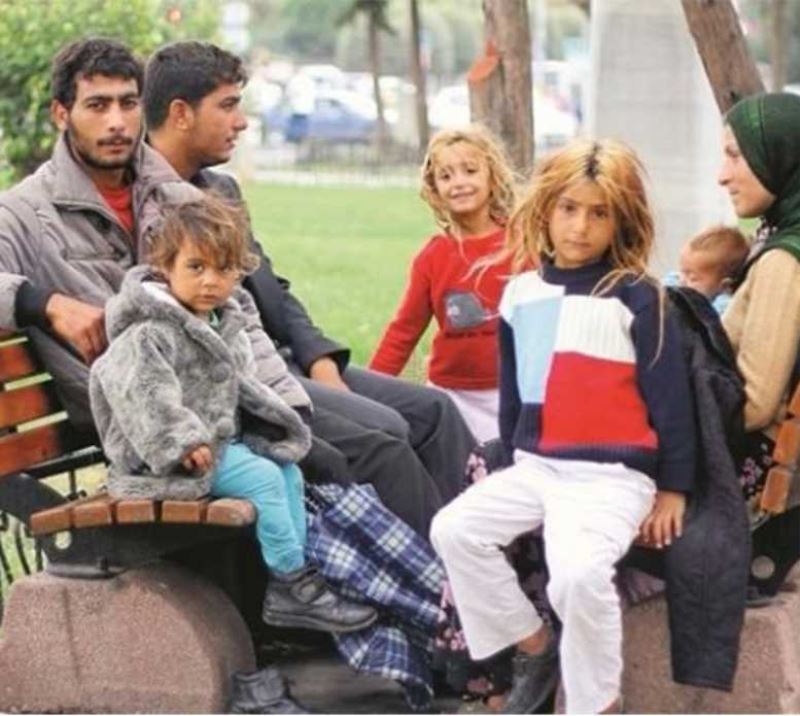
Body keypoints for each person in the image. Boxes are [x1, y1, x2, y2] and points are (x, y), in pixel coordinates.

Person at [143, 41, 476, 538]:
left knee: (434, 411)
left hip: (286, 360)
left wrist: (319, 357)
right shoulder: (145, 203)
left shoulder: (220, 190)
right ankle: (442, 577)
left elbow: (270, 287)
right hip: (243, 384)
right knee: (386, 434)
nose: (242, 122)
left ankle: (492, 552)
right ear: (180, 114)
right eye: (228, 106)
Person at [430, 138, 696, 714]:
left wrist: (674, 488)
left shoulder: (637, 297)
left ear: (620, 220)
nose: (580, 227)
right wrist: (507, 462)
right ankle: (535, 645)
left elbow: (671, 401)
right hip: (536, 469)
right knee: (454, 529)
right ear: (545, 209)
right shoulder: (520, 294)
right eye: (569, 208)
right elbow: (514, 396)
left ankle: (597, 703)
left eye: (599, 213)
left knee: (577, 577)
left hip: (612, 477)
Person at [90, 194, 377, 634]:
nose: (210, 281)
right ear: (165, 267)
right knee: (263, 480)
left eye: (223, 270)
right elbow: (144, 394)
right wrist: (182, 441)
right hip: (164, 459)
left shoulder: (220, 321)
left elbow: (244, 383)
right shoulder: (149, 332)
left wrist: (276, 418)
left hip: (219, 445)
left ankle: (298, 578)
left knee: (287, 472)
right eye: (196, 267)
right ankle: (290, 584)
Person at [0, 38, 198, 432]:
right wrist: (47, 304)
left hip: (217, 400)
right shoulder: (25, 213)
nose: (117, 122)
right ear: (61, 114)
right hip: (148, 430)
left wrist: (287, 405)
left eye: (128, 103)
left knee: (323, 442)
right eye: (97, 105)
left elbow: (243, 319)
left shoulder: (179, 199)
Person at [368, 126, 515, 443]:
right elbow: (403, 332)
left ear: (493, 177)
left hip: (515, 392)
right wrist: (368, 391)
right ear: (434, 190)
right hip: (452, 396)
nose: (459, 183)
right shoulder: (432, 257)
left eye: (470, 171)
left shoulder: (523, 245)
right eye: (446, 176)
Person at [718, 92, 800, 523]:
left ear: (780, 156)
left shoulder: (784, 261)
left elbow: (756, 403)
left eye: (735, 156)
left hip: (748, 474)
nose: (722, 175)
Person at [664, 224, 749, 314]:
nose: (682, 281)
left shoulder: (723, 307)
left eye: (693, 279)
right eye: (683, 272)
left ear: (724, 286)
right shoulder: (678, 282)